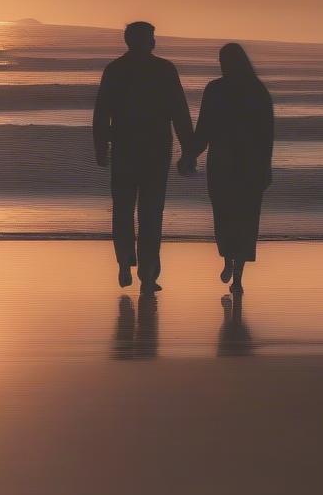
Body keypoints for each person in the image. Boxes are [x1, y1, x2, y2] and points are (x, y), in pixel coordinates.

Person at [93, 21, 193, 295]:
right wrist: (189, 149)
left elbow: (102, 112)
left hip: (125, 149)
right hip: (155, 151)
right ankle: (148, 273)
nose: (154, 42)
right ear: (148, 42)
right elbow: (179, 112)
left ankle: (125, 262)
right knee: (151, 214)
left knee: (123, 210)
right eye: (152, 38)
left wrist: (101, 146)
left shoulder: (115, 69)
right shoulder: (164, 69)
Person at [180, 42, 273, 295]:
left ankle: (234, 268)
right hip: (245, 164)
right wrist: (189, 154)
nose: (222, 65)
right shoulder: (256, 90)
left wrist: (189, 154)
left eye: (224, 60)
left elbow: (204, 130)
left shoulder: (219, 90)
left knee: (227, 217)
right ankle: (234, 268)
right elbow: (266, 135)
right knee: (242, 218)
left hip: (226, 164)